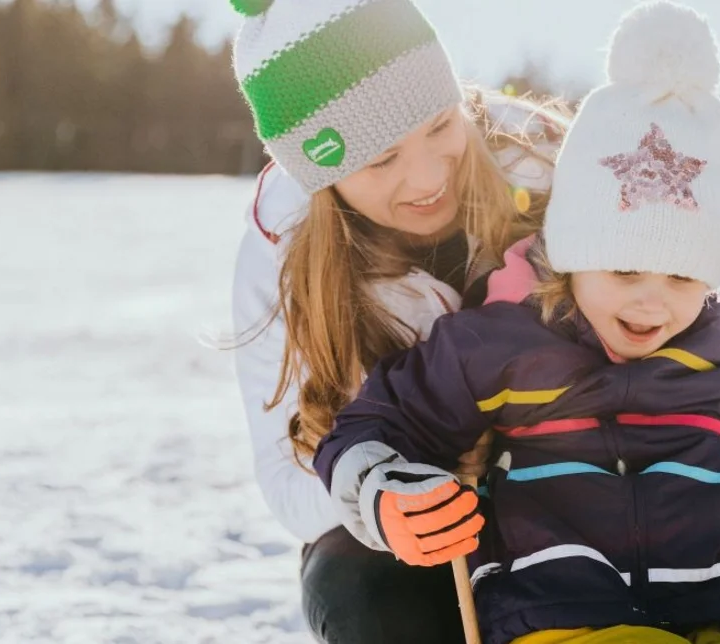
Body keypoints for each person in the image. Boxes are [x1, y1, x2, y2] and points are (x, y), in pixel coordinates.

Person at [312, 5, 720, 644]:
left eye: (681, 278)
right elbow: (374, 425)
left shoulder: (712, 348)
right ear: (571, 254)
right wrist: (389, 496)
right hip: (566, 611)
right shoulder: (498, 344)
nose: (652, 305)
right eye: (623, 272)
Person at [225, 0, 567, 640]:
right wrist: (384, 498)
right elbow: (285, 478)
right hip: (400, 530)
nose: (429, 177)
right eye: (381, 159)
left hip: (575, 489)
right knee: (365, 586)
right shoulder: (282, 253)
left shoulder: (540, 166)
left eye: (441, 125)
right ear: (319, 170)